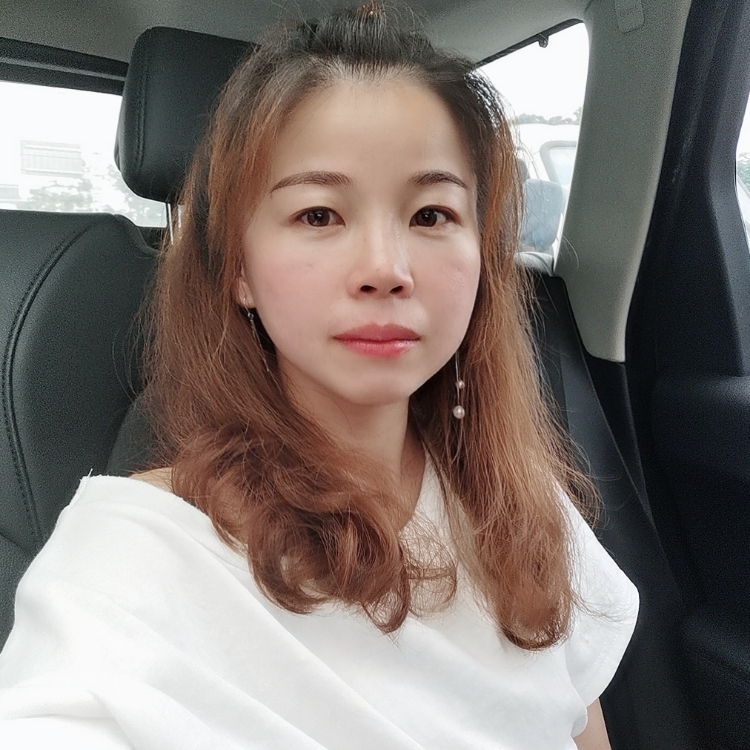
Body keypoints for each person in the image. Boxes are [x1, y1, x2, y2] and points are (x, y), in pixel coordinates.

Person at [0, 3, 638, 748]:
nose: (385, 269)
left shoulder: (525, 507)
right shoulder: (132, 562)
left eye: (431, 215)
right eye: (318, 215)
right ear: (239, 269)